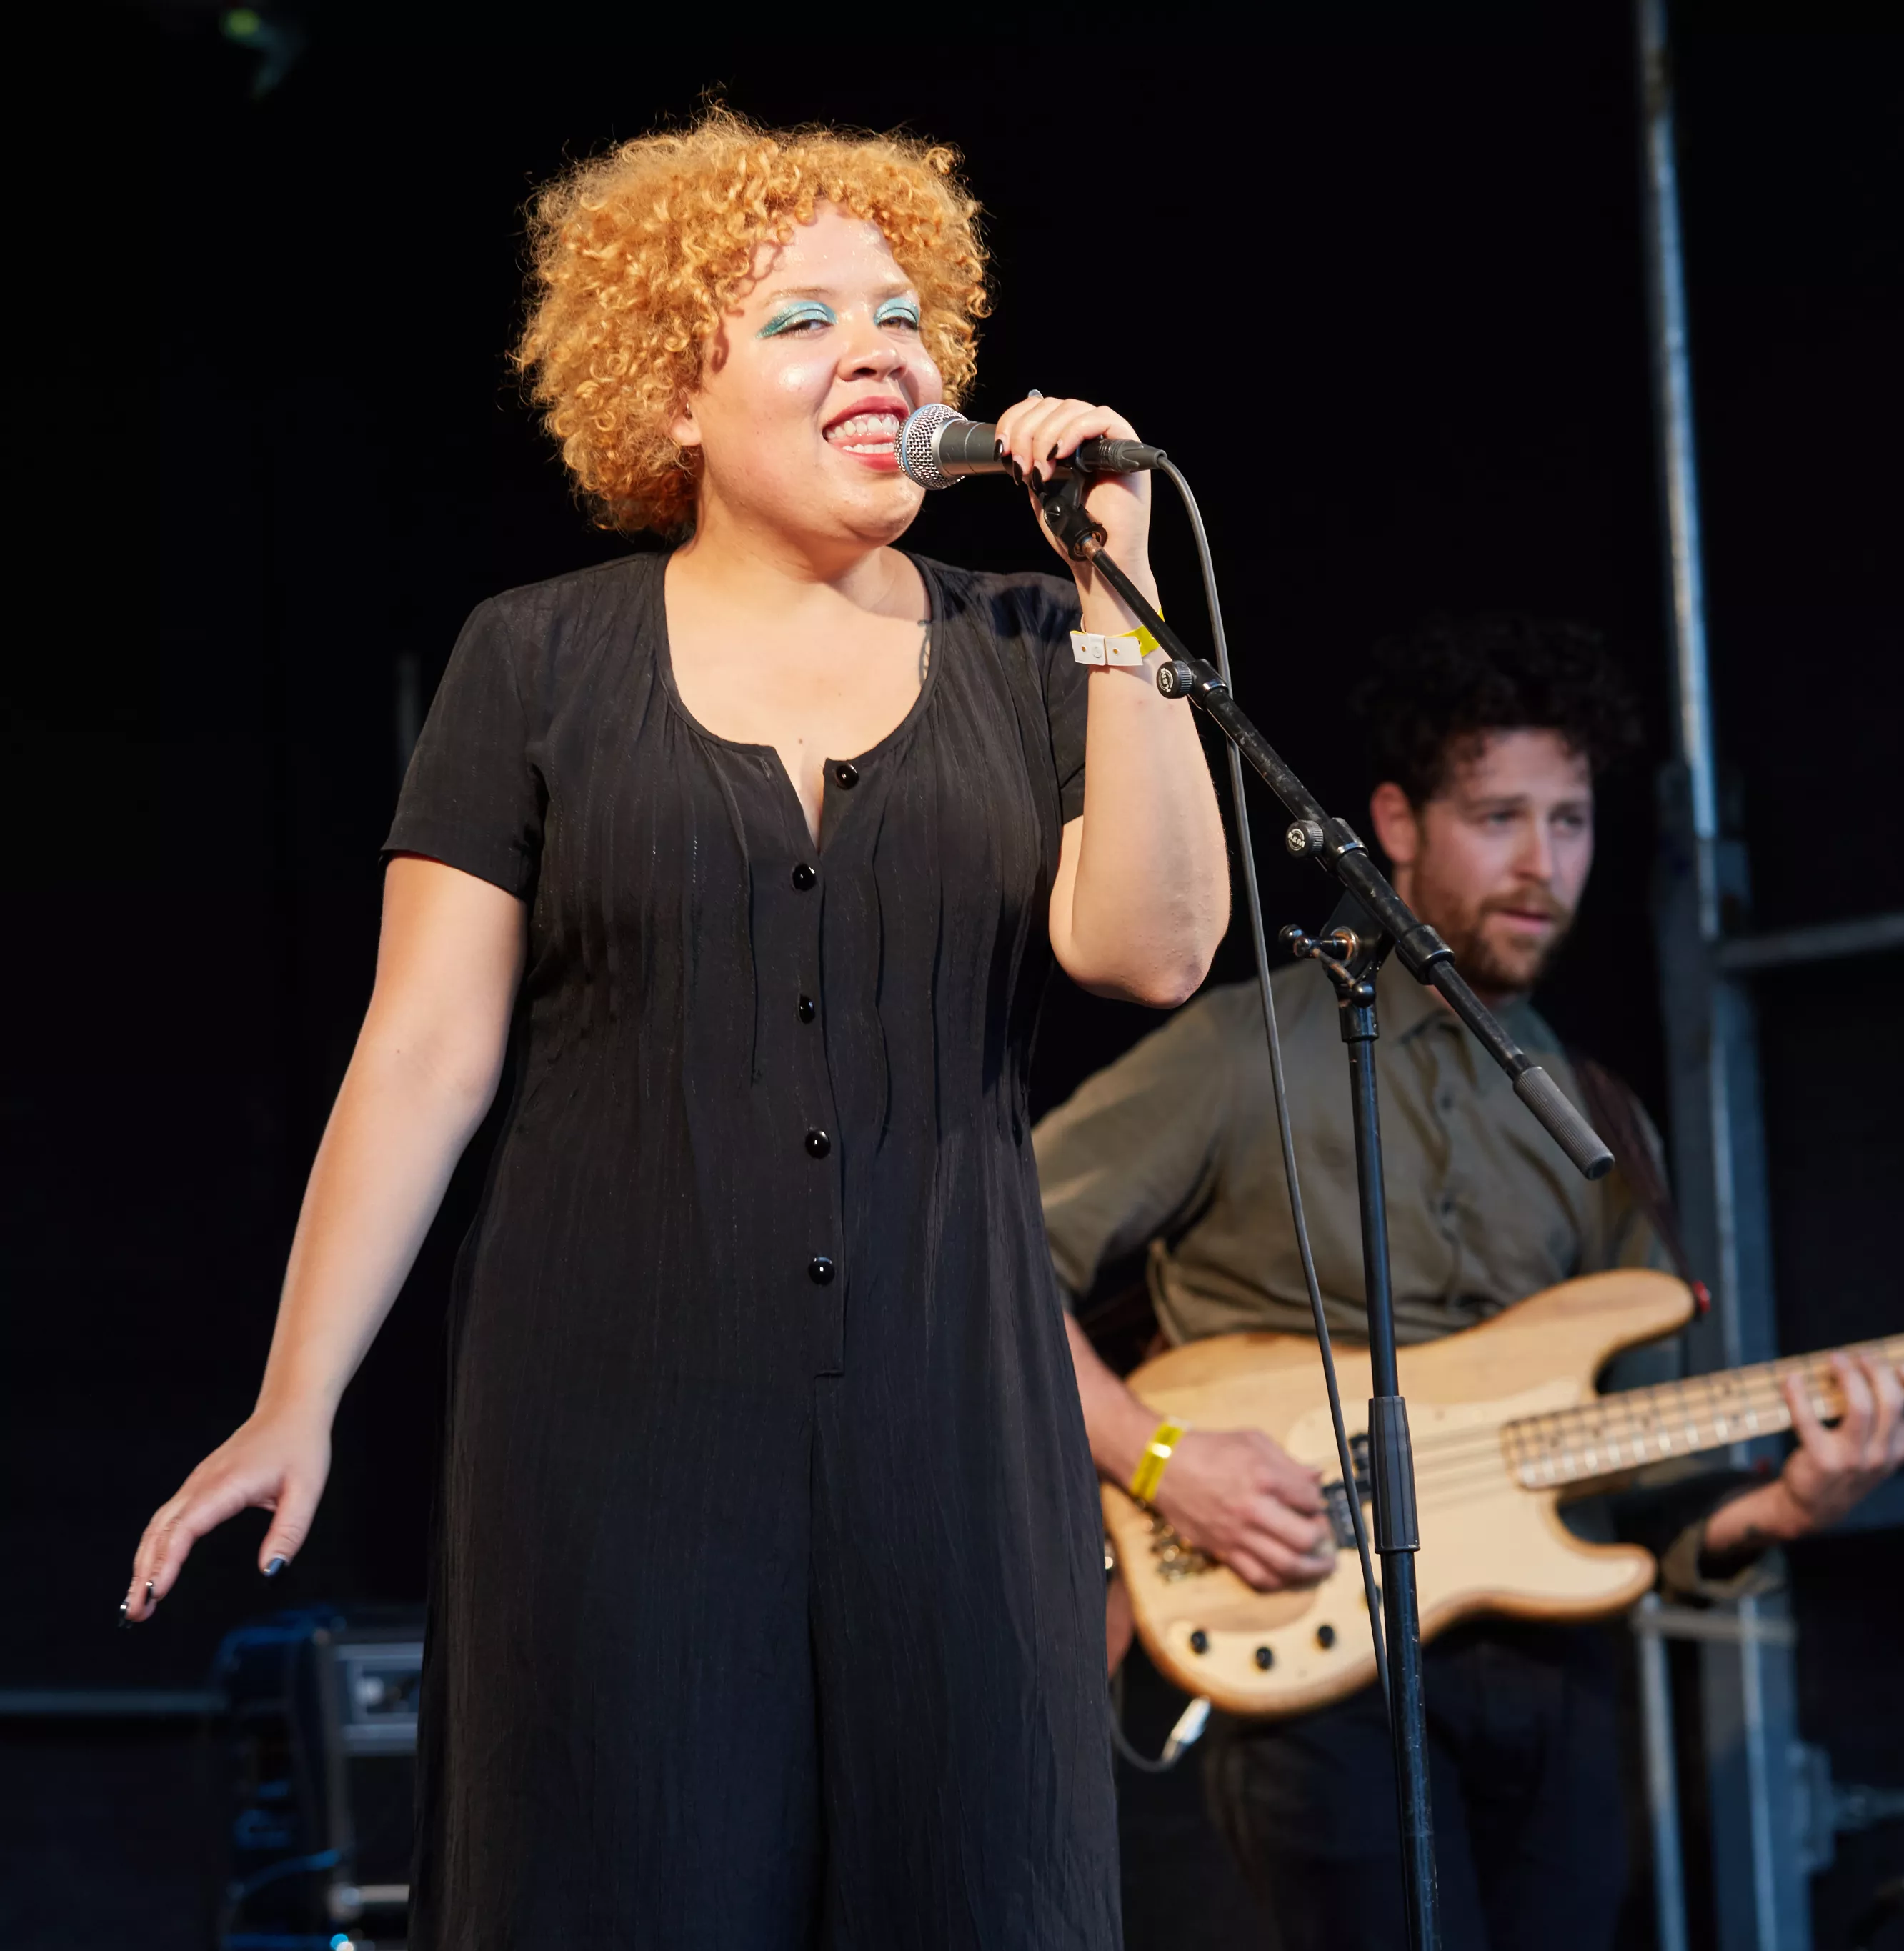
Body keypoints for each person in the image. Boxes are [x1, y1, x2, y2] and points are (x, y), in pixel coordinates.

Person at [119, 109, 1225, 1947]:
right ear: (671, 399)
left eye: (900, 315)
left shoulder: (1040, 644)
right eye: (803, 320)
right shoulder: (537, 661)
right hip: (614, 1429)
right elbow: (423, 1053)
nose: (875, 352)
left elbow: (1155, 949)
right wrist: (296, 1394)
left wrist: (1124, 583)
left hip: (953, 1427)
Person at [1033, 615, 1904, 1950]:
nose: (1542, 864)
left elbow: (1645, 1476)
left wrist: (1789, 1504)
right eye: (1499, 817)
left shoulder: (1600, 1118)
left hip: (1550, 1669)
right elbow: (992, 1264)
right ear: (1395, 824)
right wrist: (1161, 1457)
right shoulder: (1242, 1055)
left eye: (1569, 821)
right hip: (1310, 1635)